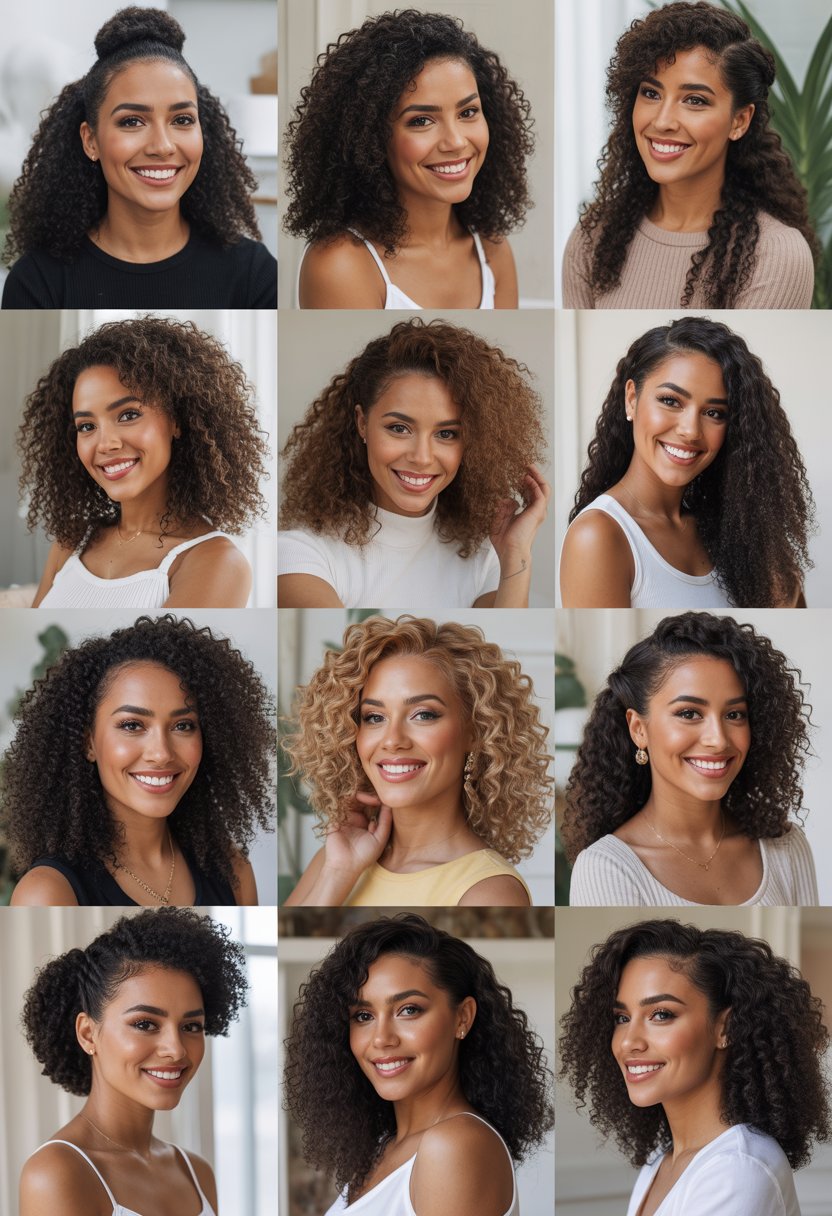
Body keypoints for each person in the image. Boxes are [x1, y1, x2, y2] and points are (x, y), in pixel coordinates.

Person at [2, 7, 276, 308]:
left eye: (182, 120)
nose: (162, 146)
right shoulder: (38, 281)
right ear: (90, 140)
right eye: (132, 121)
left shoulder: (254, 275)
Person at [284, 913, 553, 1214]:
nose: (381, 1039)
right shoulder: (384, 1147)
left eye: (408, 1010)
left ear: (462, 1017)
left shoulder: (452, 1146)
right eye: (363, 1015)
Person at [559, 918, 829, 1215]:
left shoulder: (738, 1170)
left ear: (725, 1028)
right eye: (622, 1018)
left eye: (661, 1014)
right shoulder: (663, 1160)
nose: (627, 1042)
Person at [282, 615, 553, 906]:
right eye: (375, 717)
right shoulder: (334, 860)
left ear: (476, 731)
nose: (392, 739)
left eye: (423, 715)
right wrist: (338, 873)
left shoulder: (489, 892)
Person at [5, 615, 274, 907]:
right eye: (132, 725)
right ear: (88, 741)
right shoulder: (48, 892)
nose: (161, 753)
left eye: (183, 725)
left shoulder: (233, 869)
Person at [279, 318, 549, 608]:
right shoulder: (300, 555)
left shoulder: (486, 559)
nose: (421, 457)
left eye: (446, 434)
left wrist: (516, 553)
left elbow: (500, 646)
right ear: (362, 423)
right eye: (398, 428)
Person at [562, 1, 816, 309]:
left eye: (695, 100)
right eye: (651, 93)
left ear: (739, 121)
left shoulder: (776, 254)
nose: (663, 121)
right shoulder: (593, 239)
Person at [563, 611, 818, 907]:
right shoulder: (606, 868)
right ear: (638, 729)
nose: (718, 739)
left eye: (734, 715)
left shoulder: (785, 846)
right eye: (689, 714)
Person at [284, 9, 534, 308]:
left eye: (468, 113)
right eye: (421, 121)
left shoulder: (492, 248)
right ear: (370, 138)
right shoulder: (341, 265)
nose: (455, 141)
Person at [559, 317, 813, 608]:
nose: (690, 430)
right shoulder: (599, 536)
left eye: (715, 413)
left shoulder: (732, 533)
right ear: (632, 398)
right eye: (670, 401)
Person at [18, 315, 268, 609]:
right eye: (86, 426)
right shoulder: (72, 542)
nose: (105, 443)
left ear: (177, 420)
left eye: (128, 415)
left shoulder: (214, 561)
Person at [19, 907, 247, 1216]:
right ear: (88, 1033)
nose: (176, 1049)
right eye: (145, 1024)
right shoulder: (58, 1174)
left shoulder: (197, 1173)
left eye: (191, 1026)